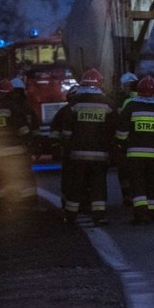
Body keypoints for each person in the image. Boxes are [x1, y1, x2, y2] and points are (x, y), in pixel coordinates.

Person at [115, 76, 154, 225]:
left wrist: (120, 144)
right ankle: (151, 212)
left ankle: (140, 215)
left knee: (137, 184)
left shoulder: (130, 107)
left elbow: (122, 130)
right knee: (153, 184)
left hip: (134, 155)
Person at [59, 69, 117, 225]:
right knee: (98, 185)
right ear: (100, 84)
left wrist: (66, 149)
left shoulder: (74, 105)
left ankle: (70, 216)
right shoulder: (108, 104)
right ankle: (99, 216)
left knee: (76, 185)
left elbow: (66, 132)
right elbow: (114, 130)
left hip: (77, 155)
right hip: (100, 155)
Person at [0, 79, 38, 208]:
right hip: (17, 152)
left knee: (2, 181)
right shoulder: (13, 107)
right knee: (24, 179)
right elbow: (22, 129)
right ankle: (28, 205)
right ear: (9, 93)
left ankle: (2, 205)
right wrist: (31, 142)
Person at [114, 71, 139, 206]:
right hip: (133, 140)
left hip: (129, 141)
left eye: (130, 85)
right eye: (126, 85)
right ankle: (130, 195)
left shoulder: (124, 101)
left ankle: (130, 195)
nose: (128, 88)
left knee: (129, 170)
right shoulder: (121, 100)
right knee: (127, 171)